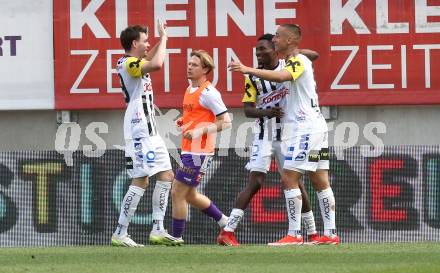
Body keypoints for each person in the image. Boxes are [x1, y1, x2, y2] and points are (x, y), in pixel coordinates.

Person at [228, 24, 340, 245]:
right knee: (320, 180)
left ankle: (294, 234)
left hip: (305, 128)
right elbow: (307, 55)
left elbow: (281, 77)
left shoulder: (296, 62)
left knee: (289, 178)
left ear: (289, 40)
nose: (275, 39)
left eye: (278, 36)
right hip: (317, 128)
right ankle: (330, 233)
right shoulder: (296, 58)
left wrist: (247, 69)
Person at [111, 21, 175, 247]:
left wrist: (158, 40)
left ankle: (158, 229)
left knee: (166, 175)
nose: (149, 44)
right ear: (134, 43)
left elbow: (151, 59)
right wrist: (164, 37)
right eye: (145, 41)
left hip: (151, 129)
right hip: (139, 129)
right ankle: (120, 232)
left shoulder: (135, 62)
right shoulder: (127, 63)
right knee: (141, 180)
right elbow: (157, 64)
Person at [166, 50, 232, 246]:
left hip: (199, 152)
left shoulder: (209, 92)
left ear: (205, 69)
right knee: (190, 195)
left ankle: (176, 237)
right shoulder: (190, 88)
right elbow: (196, 116)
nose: (189, 67)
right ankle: (225, 221)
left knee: (177, 192)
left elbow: (226, 122)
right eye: (189, 63)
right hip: (189, 149)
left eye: (194, 65)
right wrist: (183, 121)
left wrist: (197, 132)